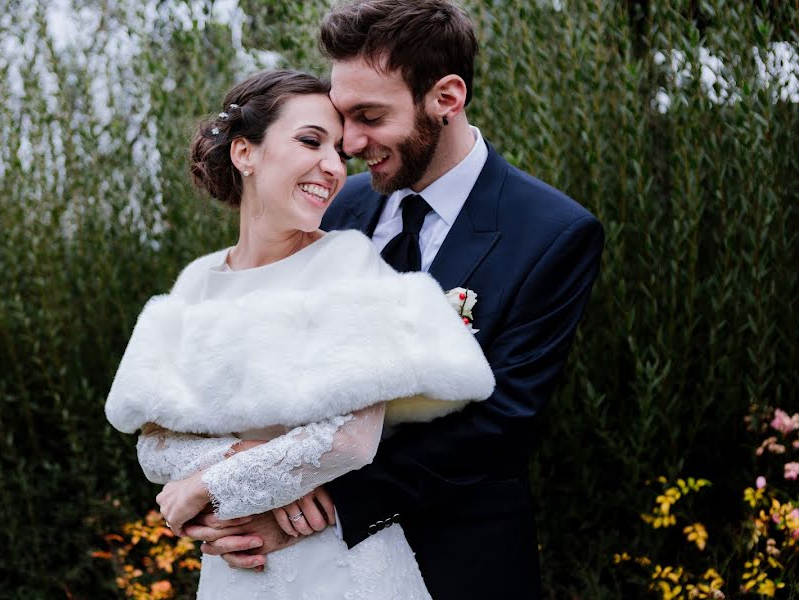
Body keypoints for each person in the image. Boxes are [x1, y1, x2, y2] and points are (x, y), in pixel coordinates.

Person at [188, 2, 605, 598]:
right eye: (340, 116)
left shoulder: (552, 233)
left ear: (447, 98)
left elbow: (501, 421)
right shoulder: (333, 208)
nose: (349, 144)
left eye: (370, 117)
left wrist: (312, 509)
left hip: (459, 563)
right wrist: (219, 495)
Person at [104, 69, 498, 599]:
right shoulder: (197, 283)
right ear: (245, 153)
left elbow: (349, 441)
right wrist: (248, 461)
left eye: (339, 151)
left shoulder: (348, 263)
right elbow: (154, 446)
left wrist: (206, 485)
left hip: (339, 568)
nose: (334, 166)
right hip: (235, 571)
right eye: (311, 141)